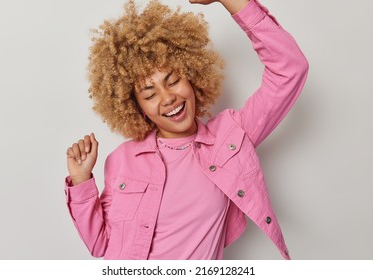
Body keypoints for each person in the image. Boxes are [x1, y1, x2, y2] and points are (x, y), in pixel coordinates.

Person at [65, 0, 308, 260]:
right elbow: (101, 245)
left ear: (192, 78)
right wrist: (81, 181)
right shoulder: (122, 160)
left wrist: (232, 1)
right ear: (137, 108)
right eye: (150, 94)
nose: (167, 98)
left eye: (173, 81)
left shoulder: (230, 139)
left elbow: (289, 69)